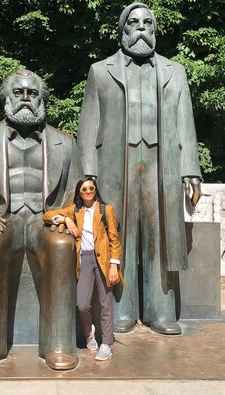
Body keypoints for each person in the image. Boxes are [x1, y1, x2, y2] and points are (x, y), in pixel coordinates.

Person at [77, 3, 201, 335]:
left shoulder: (175, 71)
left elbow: (185, 122)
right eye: (134, 23)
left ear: (155, 30)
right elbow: (89, 123)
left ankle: (161, 311)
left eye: (148, 22)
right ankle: (121, 309)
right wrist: (87, 172)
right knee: (118, 233)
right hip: (116, 164)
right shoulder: (100, 71)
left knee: (161, 236)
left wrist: (191, 169)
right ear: (123, 31)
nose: (141, 28)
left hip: (164, 164)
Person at [0, 69, 83, 371]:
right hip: (4, 218)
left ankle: (59, 344)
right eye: (18, 92)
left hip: (46, 218)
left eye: (32, 93)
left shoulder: (65, 142)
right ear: (6, 98)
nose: (25, 98)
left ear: (42, 99)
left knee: (62, 245)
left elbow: (74, 189)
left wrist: (65, 215)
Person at [43, 178, 122, 361]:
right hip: (84, 259)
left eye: (91, 188)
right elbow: (46, 216)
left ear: (95, 190)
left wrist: (114, 265)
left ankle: (107, 343)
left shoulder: (105, 209)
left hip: (103, 259)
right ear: (79, 192)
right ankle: (89, 332)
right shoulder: (76, 210)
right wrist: (65, 220)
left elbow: (114, 239)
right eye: (84, 189)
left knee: (105, 304)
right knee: (82, 304)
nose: (88, 191)